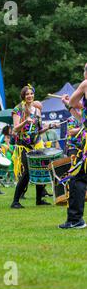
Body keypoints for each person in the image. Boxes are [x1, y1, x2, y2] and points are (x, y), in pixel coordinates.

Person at [10, 84, 58, 209]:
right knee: (27, 173)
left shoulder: (37, 111)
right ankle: (15, 201)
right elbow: (14, 130)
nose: (30, 96)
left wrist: (49, 127)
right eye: (27, 94)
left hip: (36, 145)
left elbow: (39, 130)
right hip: (24, 146)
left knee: (41, 170)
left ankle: (39, 200)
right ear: (23, 96)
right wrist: (25, 121)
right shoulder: (18, 109)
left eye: (31, 94)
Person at [58, 63, 87, 229]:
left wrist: (68, 102)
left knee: (78, 178)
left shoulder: (85, 83)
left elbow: (74, 102)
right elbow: (82, 118)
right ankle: (75, 219)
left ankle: (75, 220)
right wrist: (71, 107)